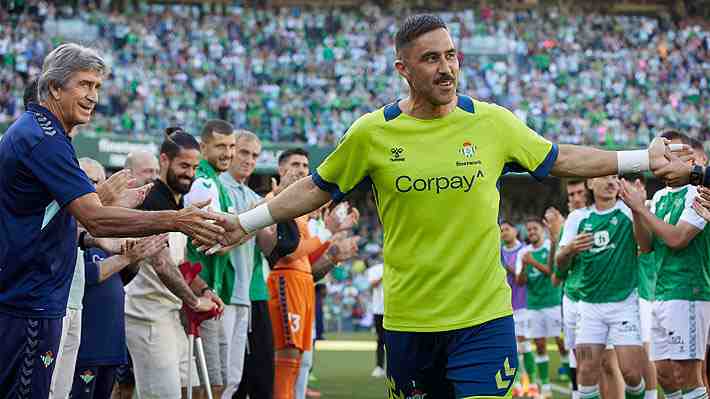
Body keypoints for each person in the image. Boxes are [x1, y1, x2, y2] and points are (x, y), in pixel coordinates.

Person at [194, 15, 689, 398]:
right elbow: (318, 187)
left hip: (484, 319)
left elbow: (561, 158)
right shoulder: (372, 133)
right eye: (431, 59)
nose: (447, 68)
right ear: (403, 69)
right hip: (411, 323)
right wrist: (245, 222)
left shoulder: (493, 123)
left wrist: (642, 157)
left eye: (451, 56)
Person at [0, 43, 222, 398]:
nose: (93, 96)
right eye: (85, 84)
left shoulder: (38, 132)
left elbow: (62, 216)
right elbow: (96, 220)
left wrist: (103, 201)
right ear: (55, 87)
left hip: (32, 295)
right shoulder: (44, 139)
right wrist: (177, 219)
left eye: (97, 87)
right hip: (31, 299)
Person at [124, 129, 224, 399]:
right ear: (164, 161)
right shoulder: (152, 201)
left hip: (168, 315)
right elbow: (162, 264)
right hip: (147, 316)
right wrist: (193, 301)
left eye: (194, 167)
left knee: (190, 390)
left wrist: (204, 290)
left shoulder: (176, 204)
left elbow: (180, 262)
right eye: (183, 165)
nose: (189, 173)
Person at [620, 130, 710, 399]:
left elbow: (677, 239)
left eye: (664, 155)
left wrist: (642, 209)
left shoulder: (700, 192)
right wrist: (638, 210)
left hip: (688, 292)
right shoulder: (658, 197)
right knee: (665, 376)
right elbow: (645, 247)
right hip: (661, 293)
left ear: (685, 156)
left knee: (688, 376)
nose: (657, 163)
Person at [267, 148, 359, 399]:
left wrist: (333, 252)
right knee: (287, 355)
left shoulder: (302, 214)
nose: (301, 170)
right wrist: (328, 233)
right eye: (295, 164)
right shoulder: (275, 204)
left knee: (301, 358)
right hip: (285, 282)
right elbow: (289, 252)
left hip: (303, 283)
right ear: (281, 169)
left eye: (305, 166)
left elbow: (306, 259)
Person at [70, 159, 166, 399]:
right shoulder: (68, 228)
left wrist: (138, 256)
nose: (95, 187)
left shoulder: (111, 226)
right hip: (84, 346)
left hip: (111, 343)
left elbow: (122, 279)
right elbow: (86, 276)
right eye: (87, 180)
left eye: (99, 181)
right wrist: (126, 258)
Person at [557, 175, 648, 399]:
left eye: (614, 177)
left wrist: (639, 210)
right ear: (590, 184)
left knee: (632, 373)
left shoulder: (628, 212)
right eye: (603, 177)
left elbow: (646, 246)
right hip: (588, 306)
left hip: (624, 303)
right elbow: (560, 264)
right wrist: (569, 250)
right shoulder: (578, 218)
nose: (610, 182)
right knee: (586, 373)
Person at [184, 119, 236, 399]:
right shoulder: (203, 182)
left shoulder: (215, 181)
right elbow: (215, 237)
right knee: (208, 383)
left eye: (231, 146)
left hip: (209, 290)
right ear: (203, 147)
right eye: (220, 146)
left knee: (216, 381)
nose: (228, 153)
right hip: (198, 288)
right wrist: (247, 226)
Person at [516, 218, 566, 398]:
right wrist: (524, 266)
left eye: (534, 228)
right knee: (539, 345)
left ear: (543, 230)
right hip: (534, 305)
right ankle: (545, 386)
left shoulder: (550, 248)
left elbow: (553, 273)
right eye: (528, 230)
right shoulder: (524, 253)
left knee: (562, 342)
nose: (531, 232)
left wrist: (533, 262)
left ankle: (567, 368)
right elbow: (520, 282)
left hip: (553, 303)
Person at [500, 221, 538, 397]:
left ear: (515, 231)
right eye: (501, 231)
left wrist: (503, 265)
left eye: (507, 229)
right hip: (503, 305)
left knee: (524, 344)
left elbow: (520, 279)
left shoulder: (524, 250)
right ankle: (516, 384)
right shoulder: (497, 250)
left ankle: (532, 383)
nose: (504, 233)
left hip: (522, 304)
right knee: (510, 345)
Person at [367, 256, 386, 379]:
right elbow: (373, 284)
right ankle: (379, 367)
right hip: (379, 310)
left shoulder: (398, 267)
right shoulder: (375, 269)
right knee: (381, 339)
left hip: (395, 310)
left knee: (396, 341)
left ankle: (395, 368)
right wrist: (385, 275)